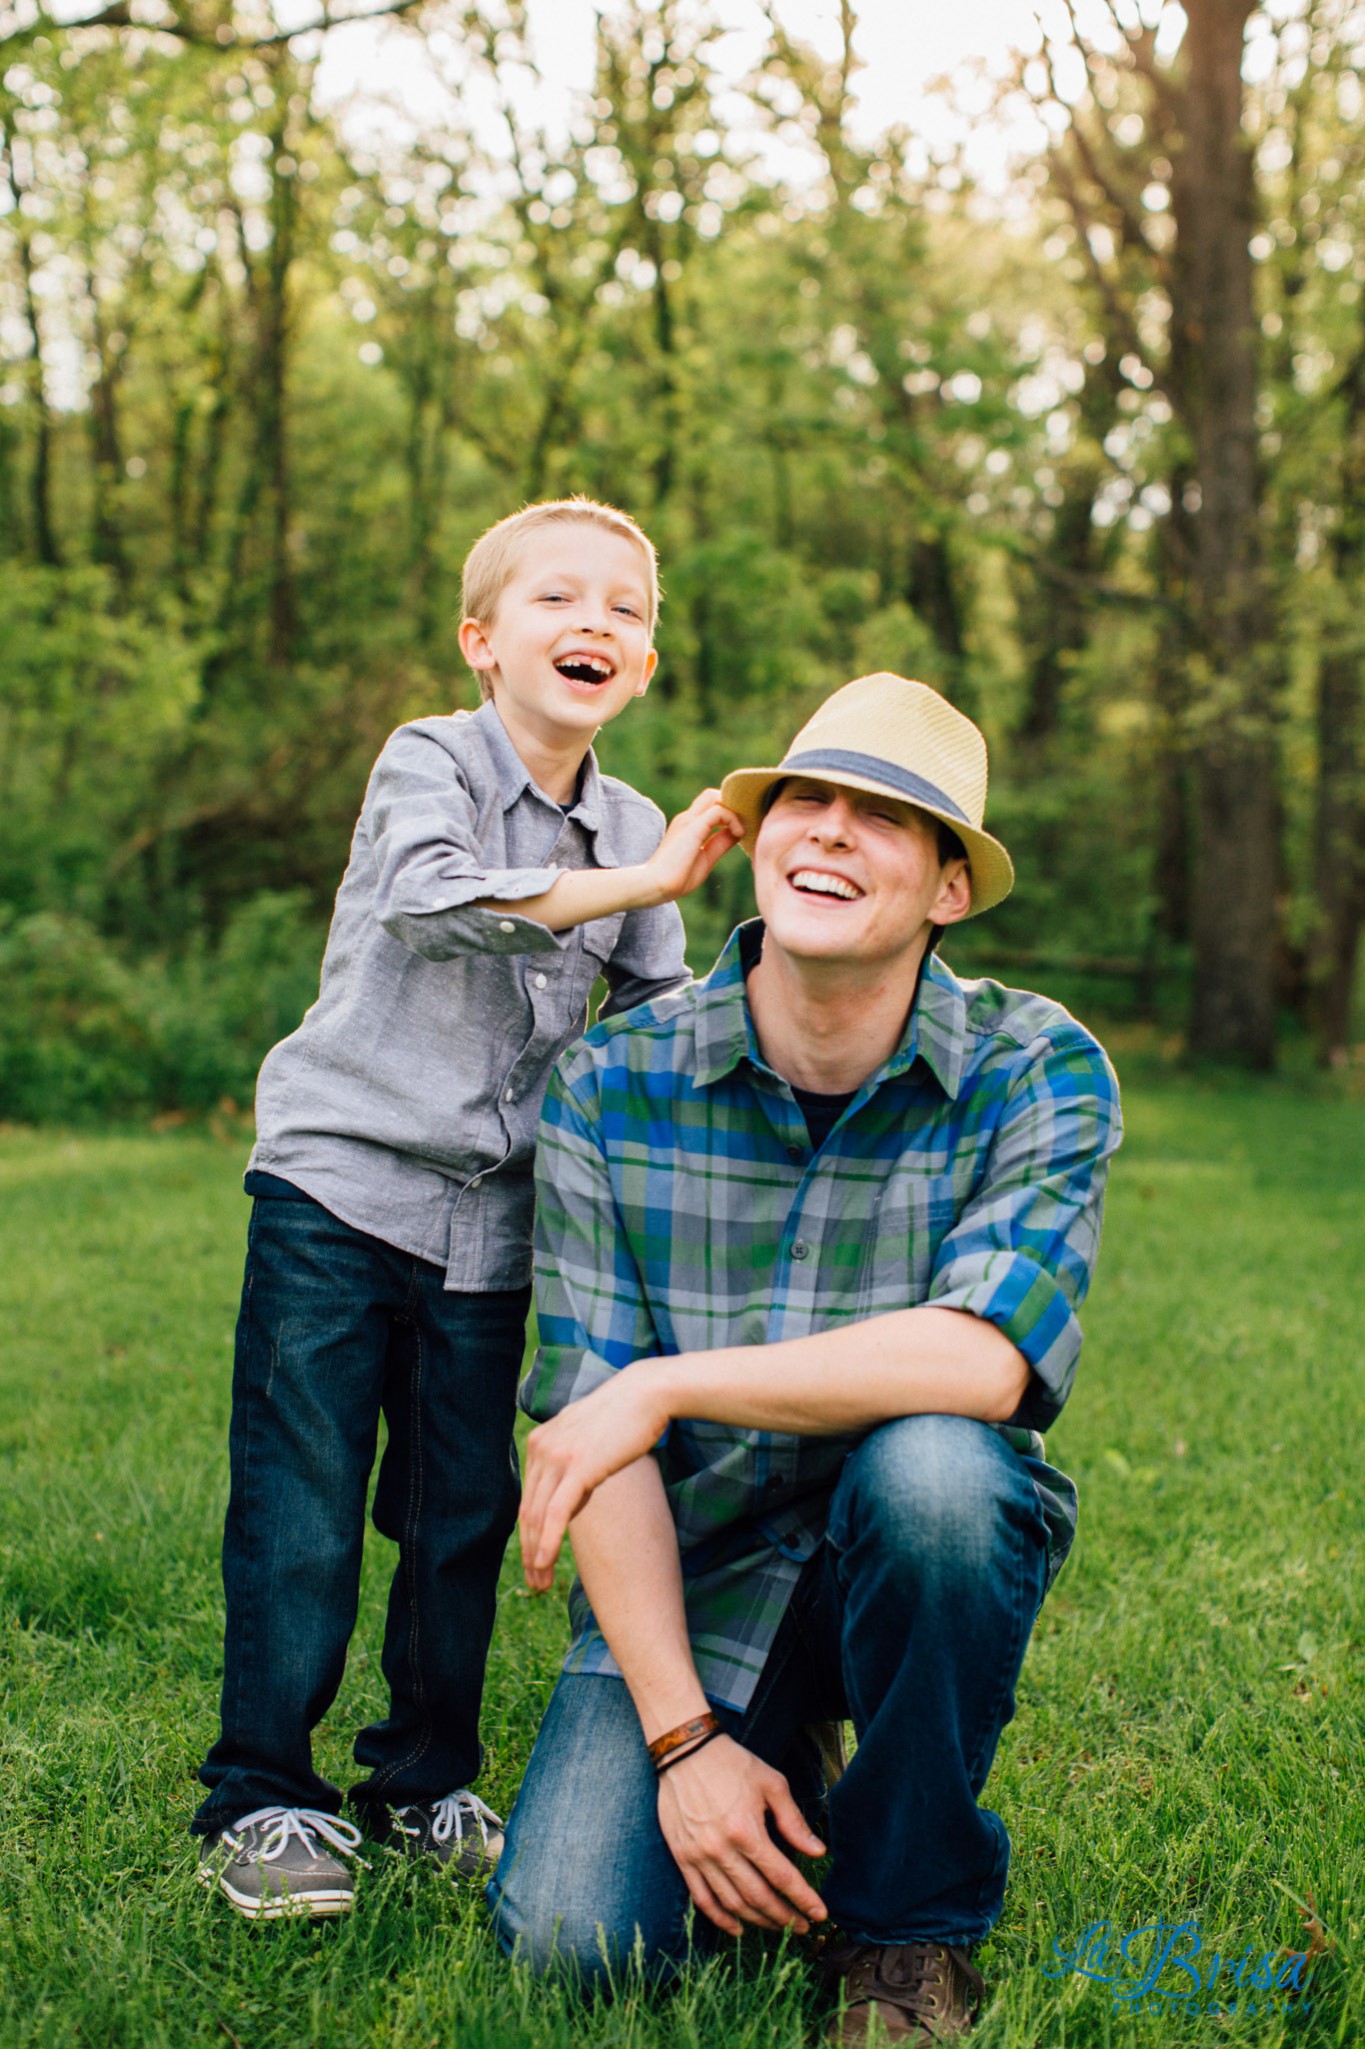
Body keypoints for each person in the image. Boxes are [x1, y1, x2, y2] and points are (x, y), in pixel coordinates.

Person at [488, 673, 1123, 2041]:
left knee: (942, 1474)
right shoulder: (612, 1081)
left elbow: (986, 1361)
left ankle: (906, 1931)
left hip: (903, 1548)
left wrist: (661, 1384)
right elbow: (599, 1458)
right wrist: (680, 1740)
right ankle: (767, 1747)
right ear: (761, 837)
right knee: (571, 1944)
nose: (828, 832)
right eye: (804, 802)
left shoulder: (1036, 1066)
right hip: (696, 1563)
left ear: (948, 889)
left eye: (882, 817)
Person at [193, 498, 741, 1920]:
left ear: (647, 661)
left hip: (492, 1226)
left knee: (458, 1513)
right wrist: (644, 881)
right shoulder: (428, 759)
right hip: (339, 1182)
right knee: (303, 1495)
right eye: (558, 599)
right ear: (481, 639)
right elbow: (440, 902)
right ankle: (260, 1792)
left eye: (624, 608)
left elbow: (655, 1019)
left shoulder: (629, 826)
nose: (595, 624)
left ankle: (421, 1774)